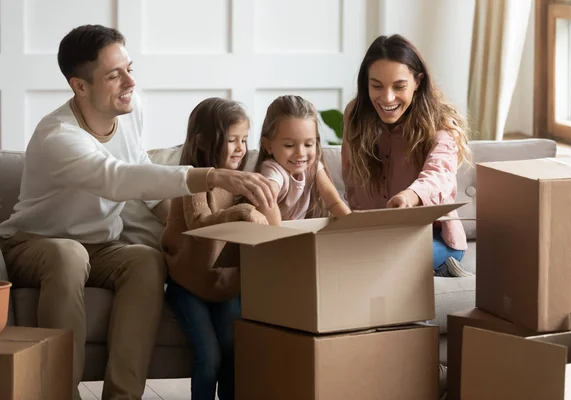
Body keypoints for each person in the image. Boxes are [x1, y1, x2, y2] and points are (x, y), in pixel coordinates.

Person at [0, 25, 274, 400]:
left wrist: (181, 223)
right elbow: (116, 178)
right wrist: (209, 175)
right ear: (79, 86)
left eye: (130, 68)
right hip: (34, 243)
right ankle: (62, 392)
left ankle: (123, 396)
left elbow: (137, 163)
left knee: (145, 260)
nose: (130, 81)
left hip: (102, 247)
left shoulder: (132, 108)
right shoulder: (58, 137)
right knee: (69, 253)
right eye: (114, 75)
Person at [160, 98, 267, 400]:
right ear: (204, 142)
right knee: (209, 357)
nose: (240, 148)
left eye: (244, 140)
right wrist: (242, 212)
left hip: (226, 287)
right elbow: (200, 224)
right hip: (188, 287)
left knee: (234, 350)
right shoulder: (193, 179)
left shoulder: (242, 181)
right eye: (232, 140)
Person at [341, 34, 471, 274]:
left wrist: (411, 196)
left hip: (435, 237)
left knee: (381, 264)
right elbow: (352, 180)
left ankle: (443, 266)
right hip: (377, 239)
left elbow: (439, 175)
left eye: (399, 86)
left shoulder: (440, 123)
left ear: (417, 82)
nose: (387, 98)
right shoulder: (355, 116)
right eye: (376, 86)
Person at [253, 95, 351, 224]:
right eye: (289, 145)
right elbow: (267, 202)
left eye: (308, 144)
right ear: (268, 145)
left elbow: (334, 202)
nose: (300, 153)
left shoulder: (313, 166)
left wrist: (353, 226)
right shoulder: (273, 169)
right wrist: (278, 239)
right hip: (273, 235)